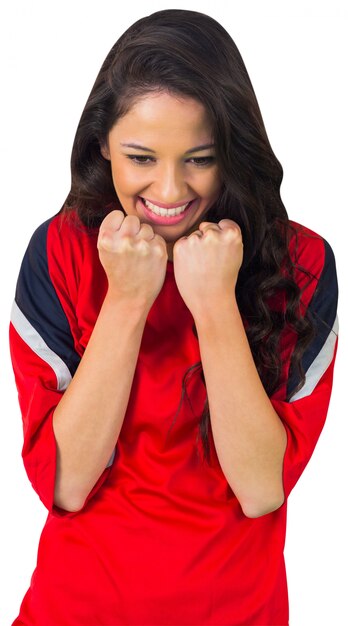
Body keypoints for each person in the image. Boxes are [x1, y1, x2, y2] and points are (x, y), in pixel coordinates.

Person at [9, 8, 339, 626]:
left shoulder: (303, 264)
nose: (167, 190)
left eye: (199, 158)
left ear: (232, 151)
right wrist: (128, 299)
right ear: (102, 143)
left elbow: (262, 488)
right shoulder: (58, 253)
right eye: (140, 157)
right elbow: (66, 484)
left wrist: (213, 303)